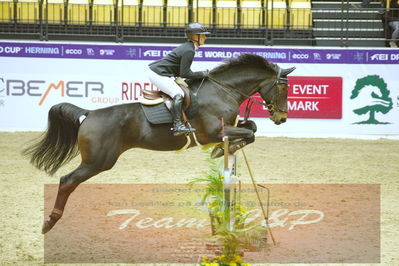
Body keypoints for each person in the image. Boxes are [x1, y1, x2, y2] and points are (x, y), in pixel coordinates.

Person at [147, 22, 210, 136]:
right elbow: (185, 73)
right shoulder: (189, 50)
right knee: (178, 94)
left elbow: (181, 72)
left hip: (163, 73)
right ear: (196, 37)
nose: (205, 37)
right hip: (158, 74)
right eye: (203, 35)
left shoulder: (190, 48)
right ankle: (178, 125)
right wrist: (202, 74)